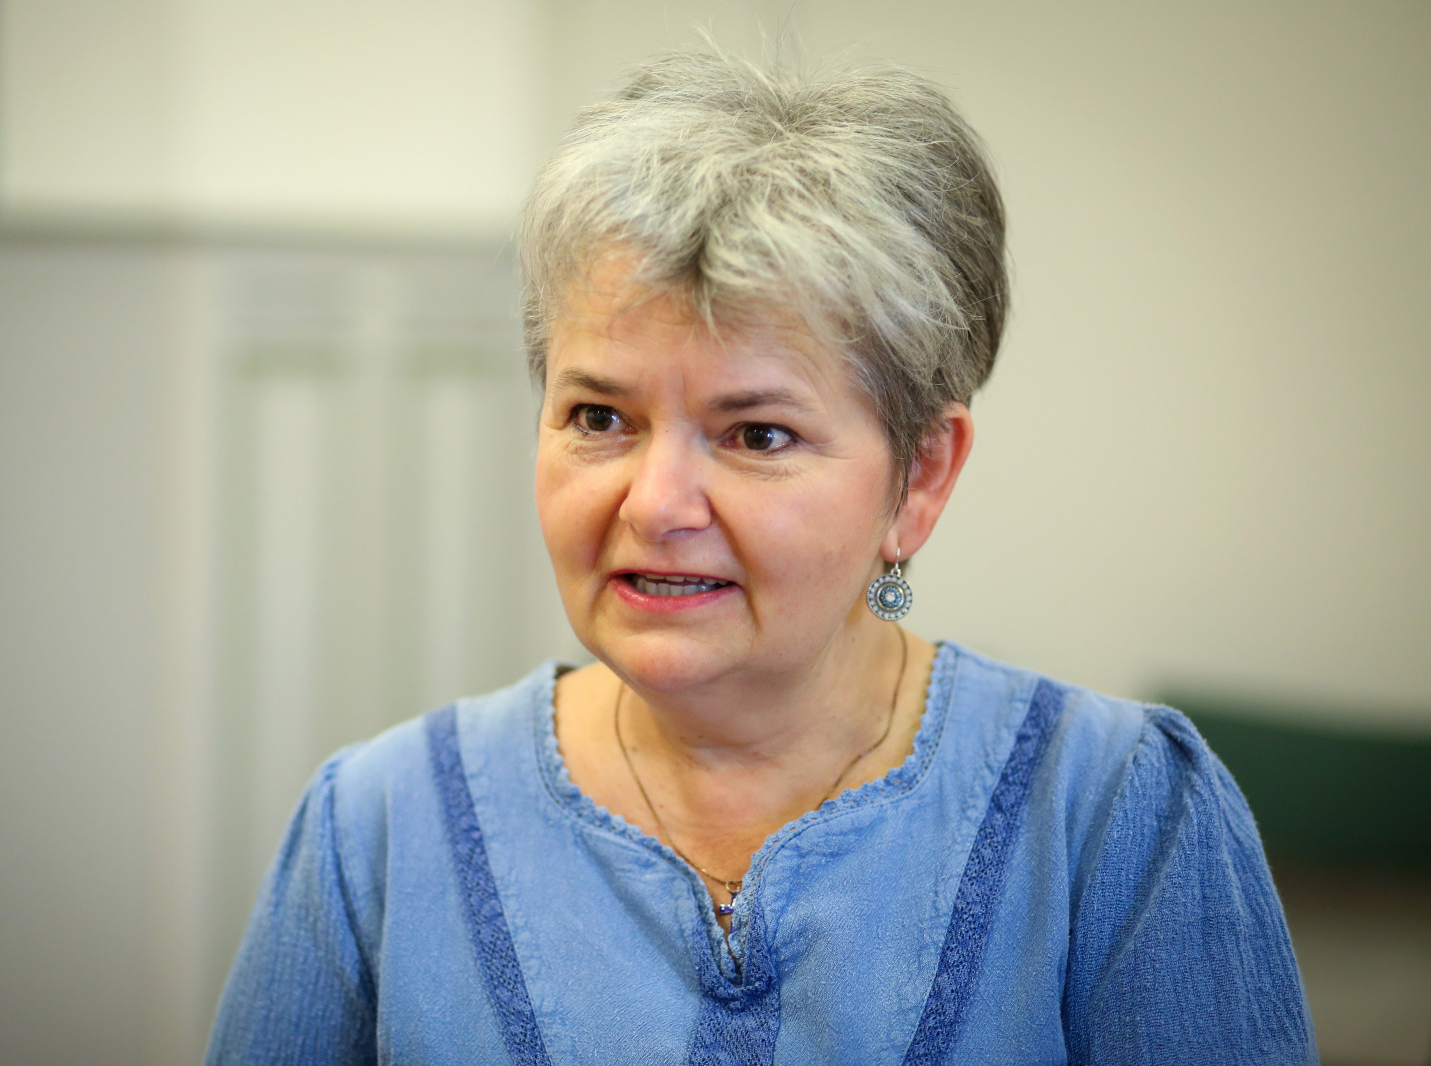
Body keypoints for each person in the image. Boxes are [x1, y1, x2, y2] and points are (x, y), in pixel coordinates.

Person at [207, 49, 1316, 1065]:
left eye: (757, 435)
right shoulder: (377, 828)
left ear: (920, 477)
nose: (655, 503)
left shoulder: (1115, 815)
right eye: (599, 417)